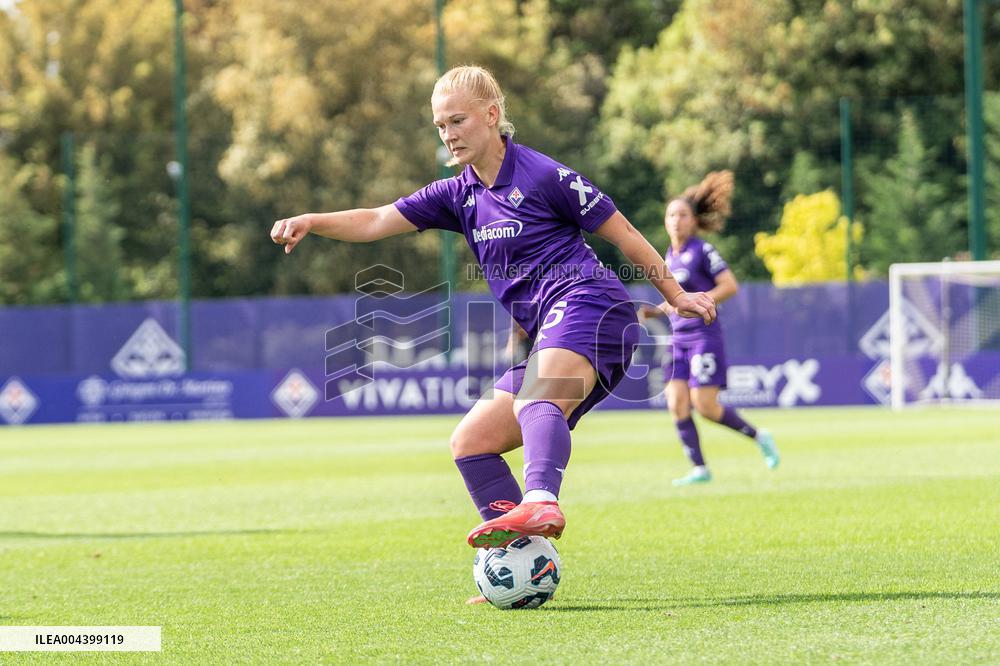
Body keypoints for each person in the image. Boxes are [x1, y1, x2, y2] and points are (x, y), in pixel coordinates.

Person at [271, 65, 716, 552]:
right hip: (558, 328)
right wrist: (312, 220)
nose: (448, 135)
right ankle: (521, 566)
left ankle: (542, 498)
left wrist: (675, 295)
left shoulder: (544, 175)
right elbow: (377, 220)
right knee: (471, 443)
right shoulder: (456, 193)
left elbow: (626, 234)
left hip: (594, 307)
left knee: (535, 395)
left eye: (457, 121)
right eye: (440, 126)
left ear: (491, 114)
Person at [639, 171, 779, 485]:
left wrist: (701, 301)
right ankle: (700, 468)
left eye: (683, 215)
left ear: (693, 221)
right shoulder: (669, 257)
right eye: (671, 215)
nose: (676, 220)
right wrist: (653, 312)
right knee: (676, 403)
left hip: (703, 336)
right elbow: (677, 300)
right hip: (677, 339)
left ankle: (759, 436)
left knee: (705, 406)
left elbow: (729, 286)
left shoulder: (702, 251)